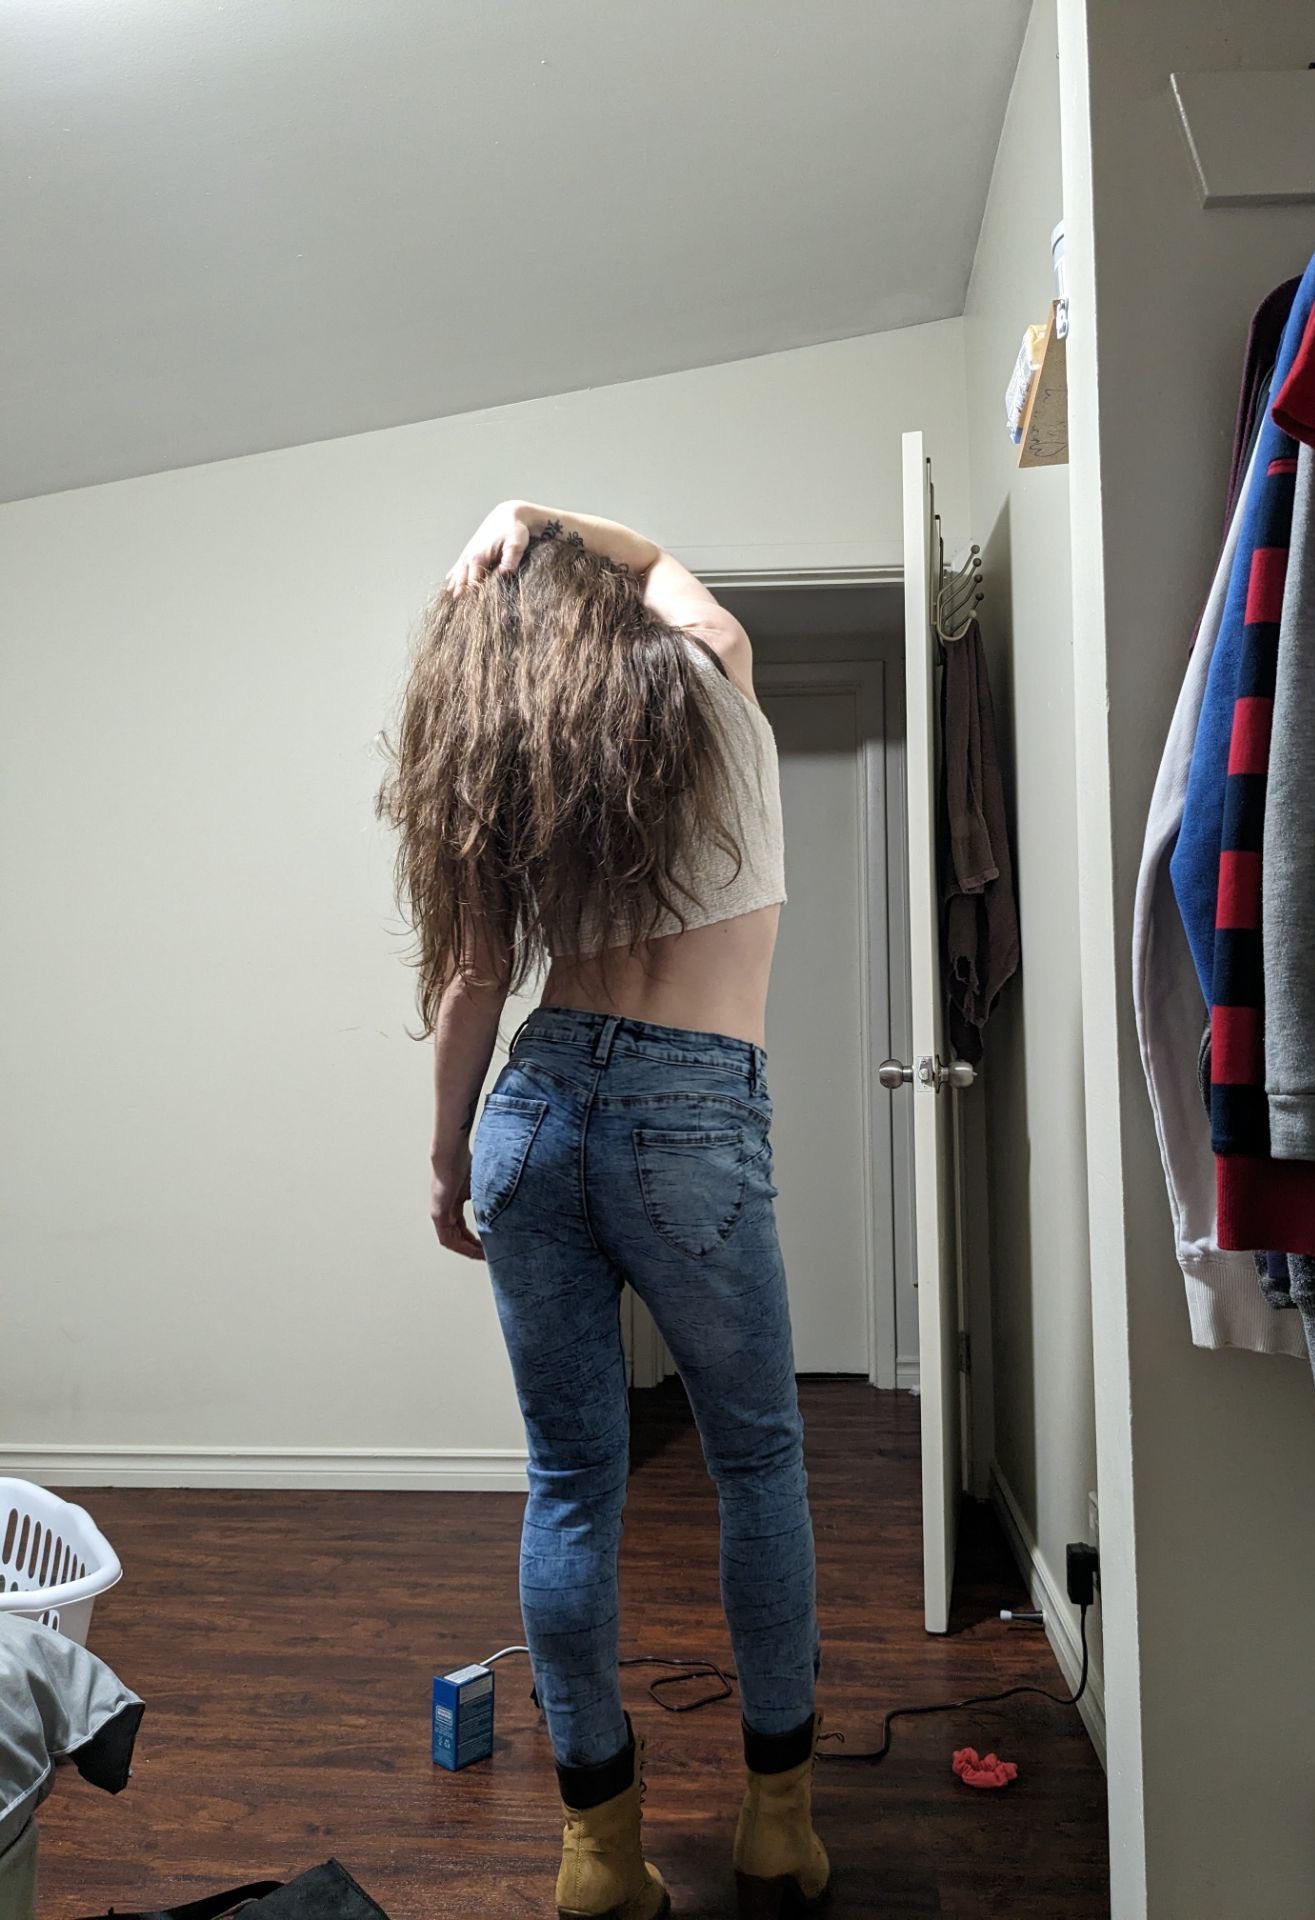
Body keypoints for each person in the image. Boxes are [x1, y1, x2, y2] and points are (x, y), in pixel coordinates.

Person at [378, 500, 827, 1920]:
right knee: (756, 1463)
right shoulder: (713, 676)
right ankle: (776, 1826)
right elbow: (662, 567)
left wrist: (448, 1156)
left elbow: (473, 983)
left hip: (535, 1108)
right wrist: (536, 515)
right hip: (693, 1110)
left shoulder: (531, 763)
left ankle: (599, 1855)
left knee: (572, 1480)